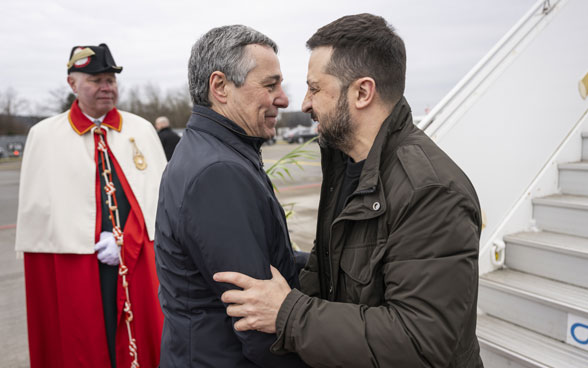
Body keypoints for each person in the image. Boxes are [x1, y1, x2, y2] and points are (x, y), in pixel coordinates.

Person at [214, 13, 484, 368]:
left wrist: (288, 314)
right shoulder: (347, 165)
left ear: (362, 92)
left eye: (315, 88)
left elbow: (421, 342)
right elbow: (341, 273)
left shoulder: (430, 191)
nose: (305, 104)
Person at [154, 25, 309, 367]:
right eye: (270, 85)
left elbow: (265, 256)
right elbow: (260, 325)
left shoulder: (216, 152)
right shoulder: (218, 172)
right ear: (220, 87)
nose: (283, 99)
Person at [15, 43, 167, 368]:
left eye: (111, 80)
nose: (106, 87)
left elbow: (158, 201)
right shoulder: (44, 136)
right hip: (76, 266)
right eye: (96, 80)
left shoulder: (141, 129)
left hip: (137, 259)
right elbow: (43, 216)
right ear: (73, 83)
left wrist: (128, 238)